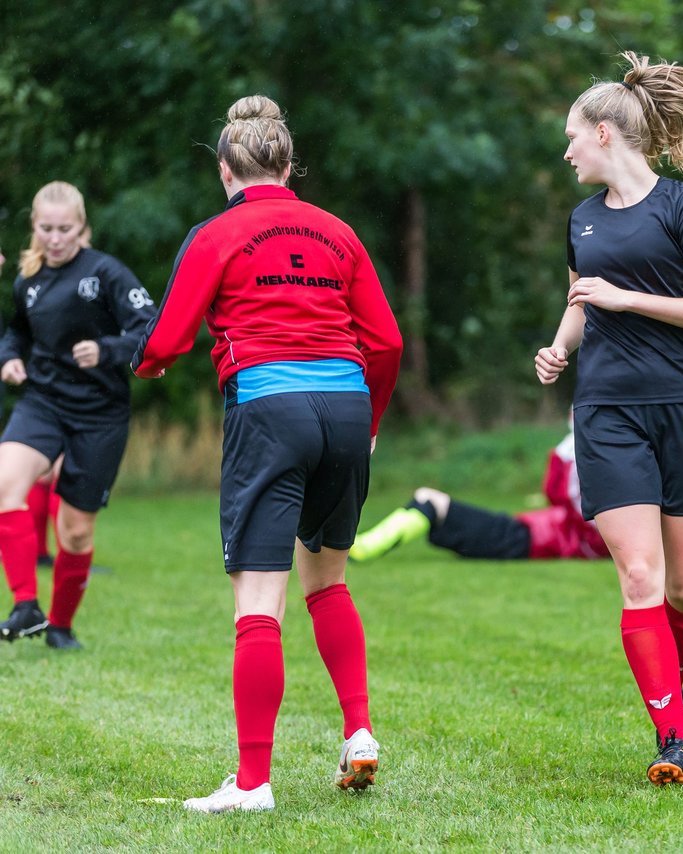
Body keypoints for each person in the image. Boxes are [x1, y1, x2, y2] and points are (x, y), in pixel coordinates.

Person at [131, 95, 403, 814]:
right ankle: (359, 730)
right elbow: (388, 342)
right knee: (328, 581)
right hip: (345, 406)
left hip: (269, 408)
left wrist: (145, 366)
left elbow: (166, 342)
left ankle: (252, 784)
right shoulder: (339, 231)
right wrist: (369, 421)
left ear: (227, 169)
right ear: (288, 165)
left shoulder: (217, 233)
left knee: (259, 602)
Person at [534, 51, 683, 786]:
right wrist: (559, 348)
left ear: (606, 134)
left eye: (572, 136)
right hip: (607, 412)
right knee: (640, 575)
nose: (567, 152)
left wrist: (628, 299)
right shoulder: (582, 221)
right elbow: (581, 299)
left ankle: (670, 700)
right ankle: (673, 741)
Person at [0, 181, 156, 650]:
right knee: (6, 483)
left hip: (100, 414)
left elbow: (151, 326)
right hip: (43, 402)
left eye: (64, 228)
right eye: (46, 228)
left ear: (82, 227)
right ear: (34, 227)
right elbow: (17, 332)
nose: (55, 238)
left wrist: (107, 349)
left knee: (75, 530)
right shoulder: (27, 280)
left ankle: (61, 627)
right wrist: (8, 357)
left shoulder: (106, 272)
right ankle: (25, 605)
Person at [350, 422, 608, 563]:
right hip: (521, 532)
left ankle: (363, 548)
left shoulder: (602, 533)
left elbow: (556, 492)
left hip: (522, 539)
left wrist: (568, 447)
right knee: (430, 500)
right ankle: (362, 545)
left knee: (430, 500)